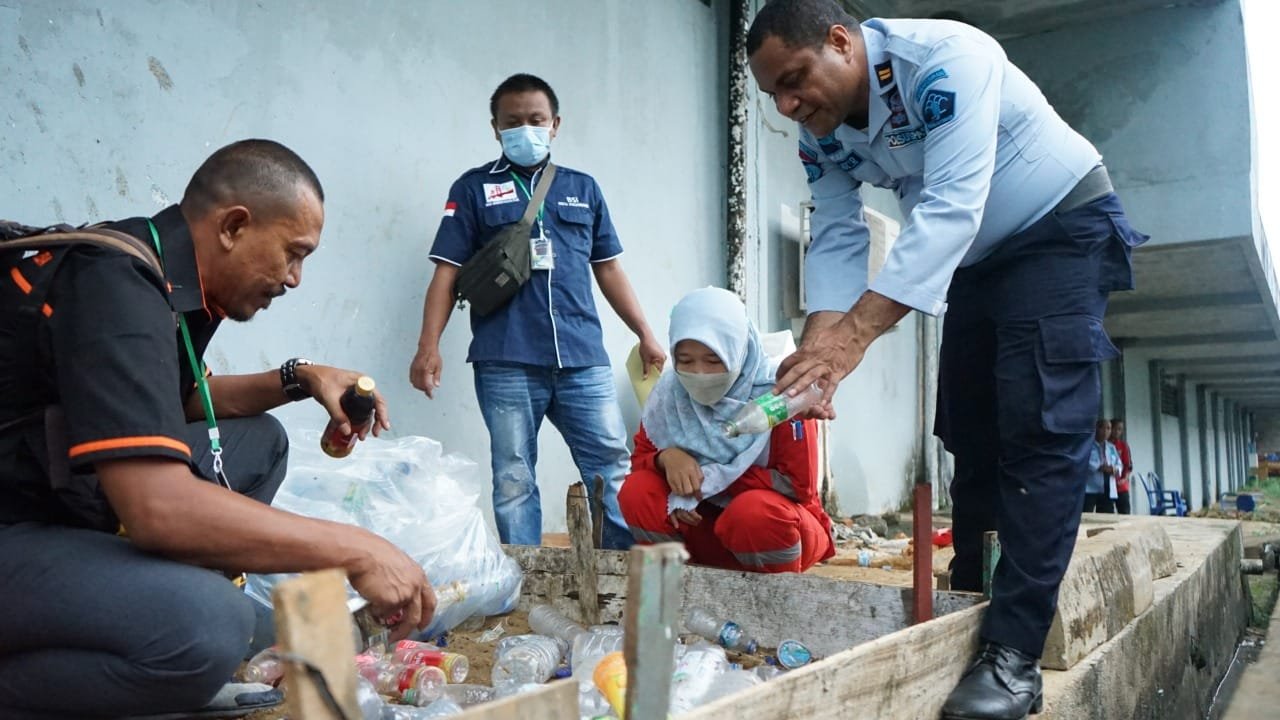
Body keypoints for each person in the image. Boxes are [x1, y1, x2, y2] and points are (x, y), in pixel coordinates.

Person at [746, 2, 1148, 717]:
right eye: (773, 92)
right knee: (971, 430)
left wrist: (855, 337)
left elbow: (952, 206)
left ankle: (1013, 658)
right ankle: (967, 607)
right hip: (975, 260)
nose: (787, 104)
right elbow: (836, 232)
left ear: (841, 42)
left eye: (795, 79)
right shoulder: (822, 131)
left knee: (1039, 431)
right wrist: (817, 352)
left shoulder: (945, 61)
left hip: (1057, 229)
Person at [0, 140, 437, 720]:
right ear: (233, 226)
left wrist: (301, 378)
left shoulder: (168, 275)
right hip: (17, 526)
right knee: (210, 626)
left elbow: (175, 402)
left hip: (53, 501)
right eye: (293, 253)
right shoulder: (115, 285)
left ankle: (138, 611)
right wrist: (357, 550)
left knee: (261, 442)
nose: (295, 278)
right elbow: (159, 509)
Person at [410, 73, 665, 550]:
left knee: (611, 467)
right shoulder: (472, 189)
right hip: (506, 357)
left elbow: (609, 269)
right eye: (512, 122)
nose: (525, 129)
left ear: (555, 125)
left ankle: (616, 573)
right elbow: (446, 273)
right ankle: (525, 577)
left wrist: (644, 333)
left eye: (536, 119)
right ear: (495, 128)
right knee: (513, 475)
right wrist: (429, 347)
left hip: (581, 356)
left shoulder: (583, 189)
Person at [618, 287, 835, 572]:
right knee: (637, 491)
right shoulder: (669, 396)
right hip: (701, 528)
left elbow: (797, 486)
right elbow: (642, 458)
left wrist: (704, 480)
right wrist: (666, 459)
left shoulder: (782, 394)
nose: (699, 373)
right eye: (686, 360)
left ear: (739, 351)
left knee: (753, 512)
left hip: (771, 533)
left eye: (713, 360)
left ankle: (776, 595)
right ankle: (670, 587)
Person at [1084, 420, 1119, 513]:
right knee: (1087, 514)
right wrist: (1100, 467)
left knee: (1107, 515)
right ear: (1097, 428)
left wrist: (1115, 469)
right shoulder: (1088, 445)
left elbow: (1118, 463)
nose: (1106, 432)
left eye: (1109, 428)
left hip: (1107, 488)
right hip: (1090, 487)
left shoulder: (1111, 447)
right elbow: (1086, 462)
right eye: (1103, 428)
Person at [1110, 418, 1133, 514]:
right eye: (1114, 428)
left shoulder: (1123, 446)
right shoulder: (1104, 445)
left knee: (1124, 513)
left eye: (1119, 429)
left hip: (1121, 486)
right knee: (1106, 513)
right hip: (1107, 486)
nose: (1117, 431)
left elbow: (1128, 466)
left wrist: (1124, 479)